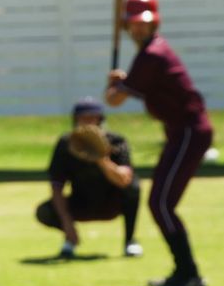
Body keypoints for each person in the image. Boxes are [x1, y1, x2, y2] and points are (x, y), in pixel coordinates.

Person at [105, 0, 212, 286]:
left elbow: (113, 100)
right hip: (182, 133)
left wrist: (114, 85)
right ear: (126, 26)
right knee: (161, 203)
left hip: (189, 132)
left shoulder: (152, 54)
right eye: (134, 24)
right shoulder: (150, 54)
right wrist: (120, 82)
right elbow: (133, 88)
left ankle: (188, 273)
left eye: (144, 24)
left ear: (155, 24)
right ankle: (185, 272)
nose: (139, 29)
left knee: (161, 203)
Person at [35, 98, 143, 259]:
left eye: (93, 117)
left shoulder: (116, 141)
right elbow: (56, 185)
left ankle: (130, 241)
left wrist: (101, 156)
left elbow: (124, 179)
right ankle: (70, 241)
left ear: (100, 119)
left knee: (134, 188)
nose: (88, 122)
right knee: (44, 211)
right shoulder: (66, 144)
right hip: (82, 202)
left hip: (111, 203)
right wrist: (67, 223)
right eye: (83, 118)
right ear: (75, 120)